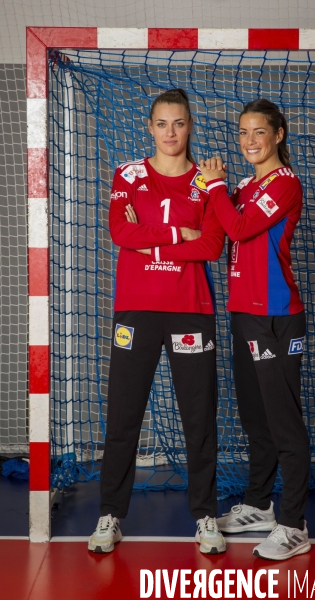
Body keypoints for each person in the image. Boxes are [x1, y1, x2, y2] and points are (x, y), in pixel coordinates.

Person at [88, 89, 226, 555]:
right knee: (124, 413)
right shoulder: (128, 173)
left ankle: (206, 516)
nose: (171, 133)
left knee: (198, 416)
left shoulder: (206, 182)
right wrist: (176, 233)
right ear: (149, 127)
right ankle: (110, 515)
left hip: (191, 309)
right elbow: (119, 231)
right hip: (137, 309)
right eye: (162, 124)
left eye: (179, 123)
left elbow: (210, 246)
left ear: (190, 126)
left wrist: (150, 243)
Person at [199, 99, 310, 561]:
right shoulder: (244, 186)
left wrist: (217, 186)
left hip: (277, 317)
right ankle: (261, 504)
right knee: (254, 417)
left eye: (258, 132)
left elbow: (241, 228)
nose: (249, 141)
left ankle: (294, 523)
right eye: (243, 132)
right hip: (243, 312)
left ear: (278, 135)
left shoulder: (284, 184)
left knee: (283, 422)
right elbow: (216, 234)